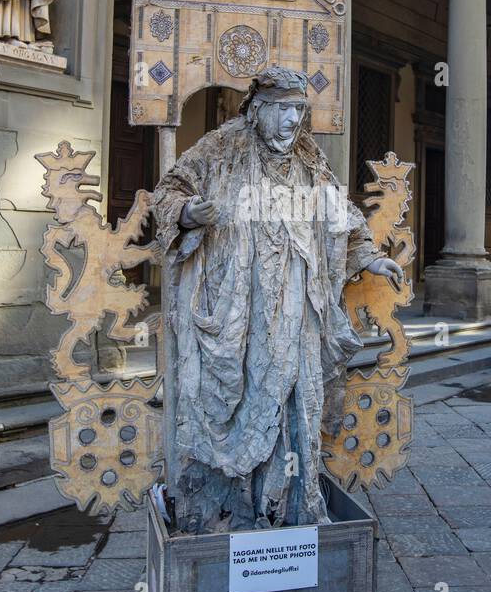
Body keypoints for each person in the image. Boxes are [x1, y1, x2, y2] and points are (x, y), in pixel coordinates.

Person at [152, 67, 403, 533]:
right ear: (260, 108)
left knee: (295, 404)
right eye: (285, 109)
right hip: (238, 314)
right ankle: (225, 515)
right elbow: (168, 192)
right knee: (237, 398)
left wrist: (368, 257)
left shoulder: (308, 157)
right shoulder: (221, 146)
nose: (293, 120)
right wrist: (188, 212)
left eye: (300, 110)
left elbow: (339, 215)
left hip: (297, 313)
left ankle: (286, 509)